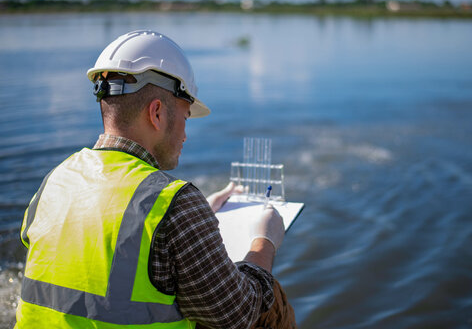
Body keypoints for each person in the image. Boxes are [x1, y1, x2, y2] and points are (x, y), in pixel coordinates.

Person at [15, 30, 296, 329]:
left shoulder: (54, 180)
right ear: (157, 113)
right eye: (186, 118)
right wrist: (264, 242)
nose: (186, 135)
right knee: (270, 304)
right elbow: (236, 315)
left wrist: (200, 216)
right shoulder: (172, 203)